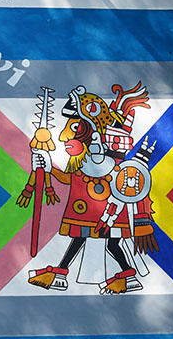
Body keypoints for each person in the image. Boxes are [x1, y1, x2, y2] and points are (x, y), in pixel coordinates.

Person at [23, 82, 158, 294]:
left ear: (93, 134)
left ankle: (125, 277)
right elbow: (70, 179)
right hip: (86, 212)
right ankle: (63, 273)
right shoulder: (85, 163)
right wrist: (48, 167)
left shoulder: (105, 166)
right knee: (85, 239)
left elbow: (116, 192)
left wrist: (108, 218)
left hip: (105, 214)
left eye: (75, 128)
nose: (65, 136)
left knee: (109, 243)